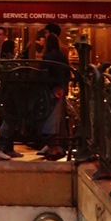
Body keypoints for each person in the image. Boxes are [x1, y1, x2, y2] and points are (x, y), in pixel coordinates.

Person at [38, 25, 70, 159]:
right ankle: (57, 147)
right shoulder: (62, 55)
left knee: (50, 119)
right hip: (60, 89)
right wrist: (62, 86)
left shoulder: (47, 57)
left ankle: (53, 148)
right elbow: (67, 72)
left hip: (50, 91)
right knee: (56, 119)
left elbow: (44, 74)